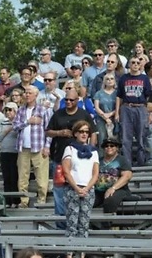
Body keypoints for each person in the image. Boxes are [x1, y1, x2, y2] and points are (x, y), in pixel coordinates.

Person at [46, 90, 97, 229]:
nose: (68, 102)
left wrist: (91, 150)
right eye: (66, 100)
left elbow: (93, 132)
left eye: (71, 100)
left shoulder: (84, 114)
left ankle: (78, 224)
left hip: (80, 159)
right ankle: (61, 224)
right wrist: (59, 132)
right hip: (60, 157)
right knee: (59, 192)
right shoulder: (58, 114)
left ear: (77, 100)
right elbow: (48, 131)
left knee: (78, 189)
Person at [62, 121, 99, 258]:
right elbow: (66, 171)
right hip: (73, 189)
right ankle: (70, 254)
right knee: (72, 224)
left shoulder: (94, 152)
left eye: (86, 132)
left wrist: (86, 188)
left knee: (84, 224)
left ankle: (82, 254)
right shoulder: (70, 149)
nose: (84, 134)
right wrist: (77, 188)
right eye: (81, 131)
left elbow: (95, 174)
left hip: (88, 190)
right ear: (76, 133)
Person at [13, 86, 52, 206]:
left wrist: (47, 146)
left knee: (41, 177)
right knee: (22, 178)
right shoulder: (20, 110)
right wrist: (27, 122)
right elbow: (15, 126)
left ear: (36, 95)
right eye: (26, 92)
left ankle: (41, 200)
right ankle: (23, 201)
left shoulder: (43, 110)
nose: (27, 95)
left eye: (30, 93)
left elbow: (49, 130)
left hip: (38, 147)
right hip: (23, 148)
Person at [115, 56, 152, 166]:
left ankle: (141, 163)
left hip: (140, 107)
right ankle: (127, 164)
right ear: (129, 65)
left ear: (140, 65)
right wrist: (117, 112)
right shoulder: (123, 78)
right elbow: (119, 96)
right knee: (126, 138)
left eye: (137, 62)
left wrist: (149, 112)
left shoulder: (144, 79)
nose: (135, 64)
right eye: (133, 62)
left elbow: (149, 96)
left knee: (141, 136)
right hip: (126, 107)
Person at [94, 138, 133, 214]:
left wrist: (113, 188)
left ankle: (108, 224)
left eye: (112, 146)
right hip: (98, 191)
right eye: (106, 146)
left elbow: (127, 176)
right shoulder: (98, 160)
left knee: (110, 200)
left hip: (118, 190)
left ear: (117, 148)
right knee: (88, 199)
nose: (109, 147)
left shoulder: (122, 160)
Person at [0, 102, 19, 207]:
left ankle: (16, 201)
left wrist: (13, 127)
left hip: (15, 152)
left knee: (14, 177)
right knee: (6, 177)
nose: (8, 112)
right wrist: (7, 130)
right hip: (4, 152)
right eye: (6, 110)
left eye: (10, 110)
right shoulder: (3, 123)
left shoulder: (19, 122)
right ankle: (8, 201)